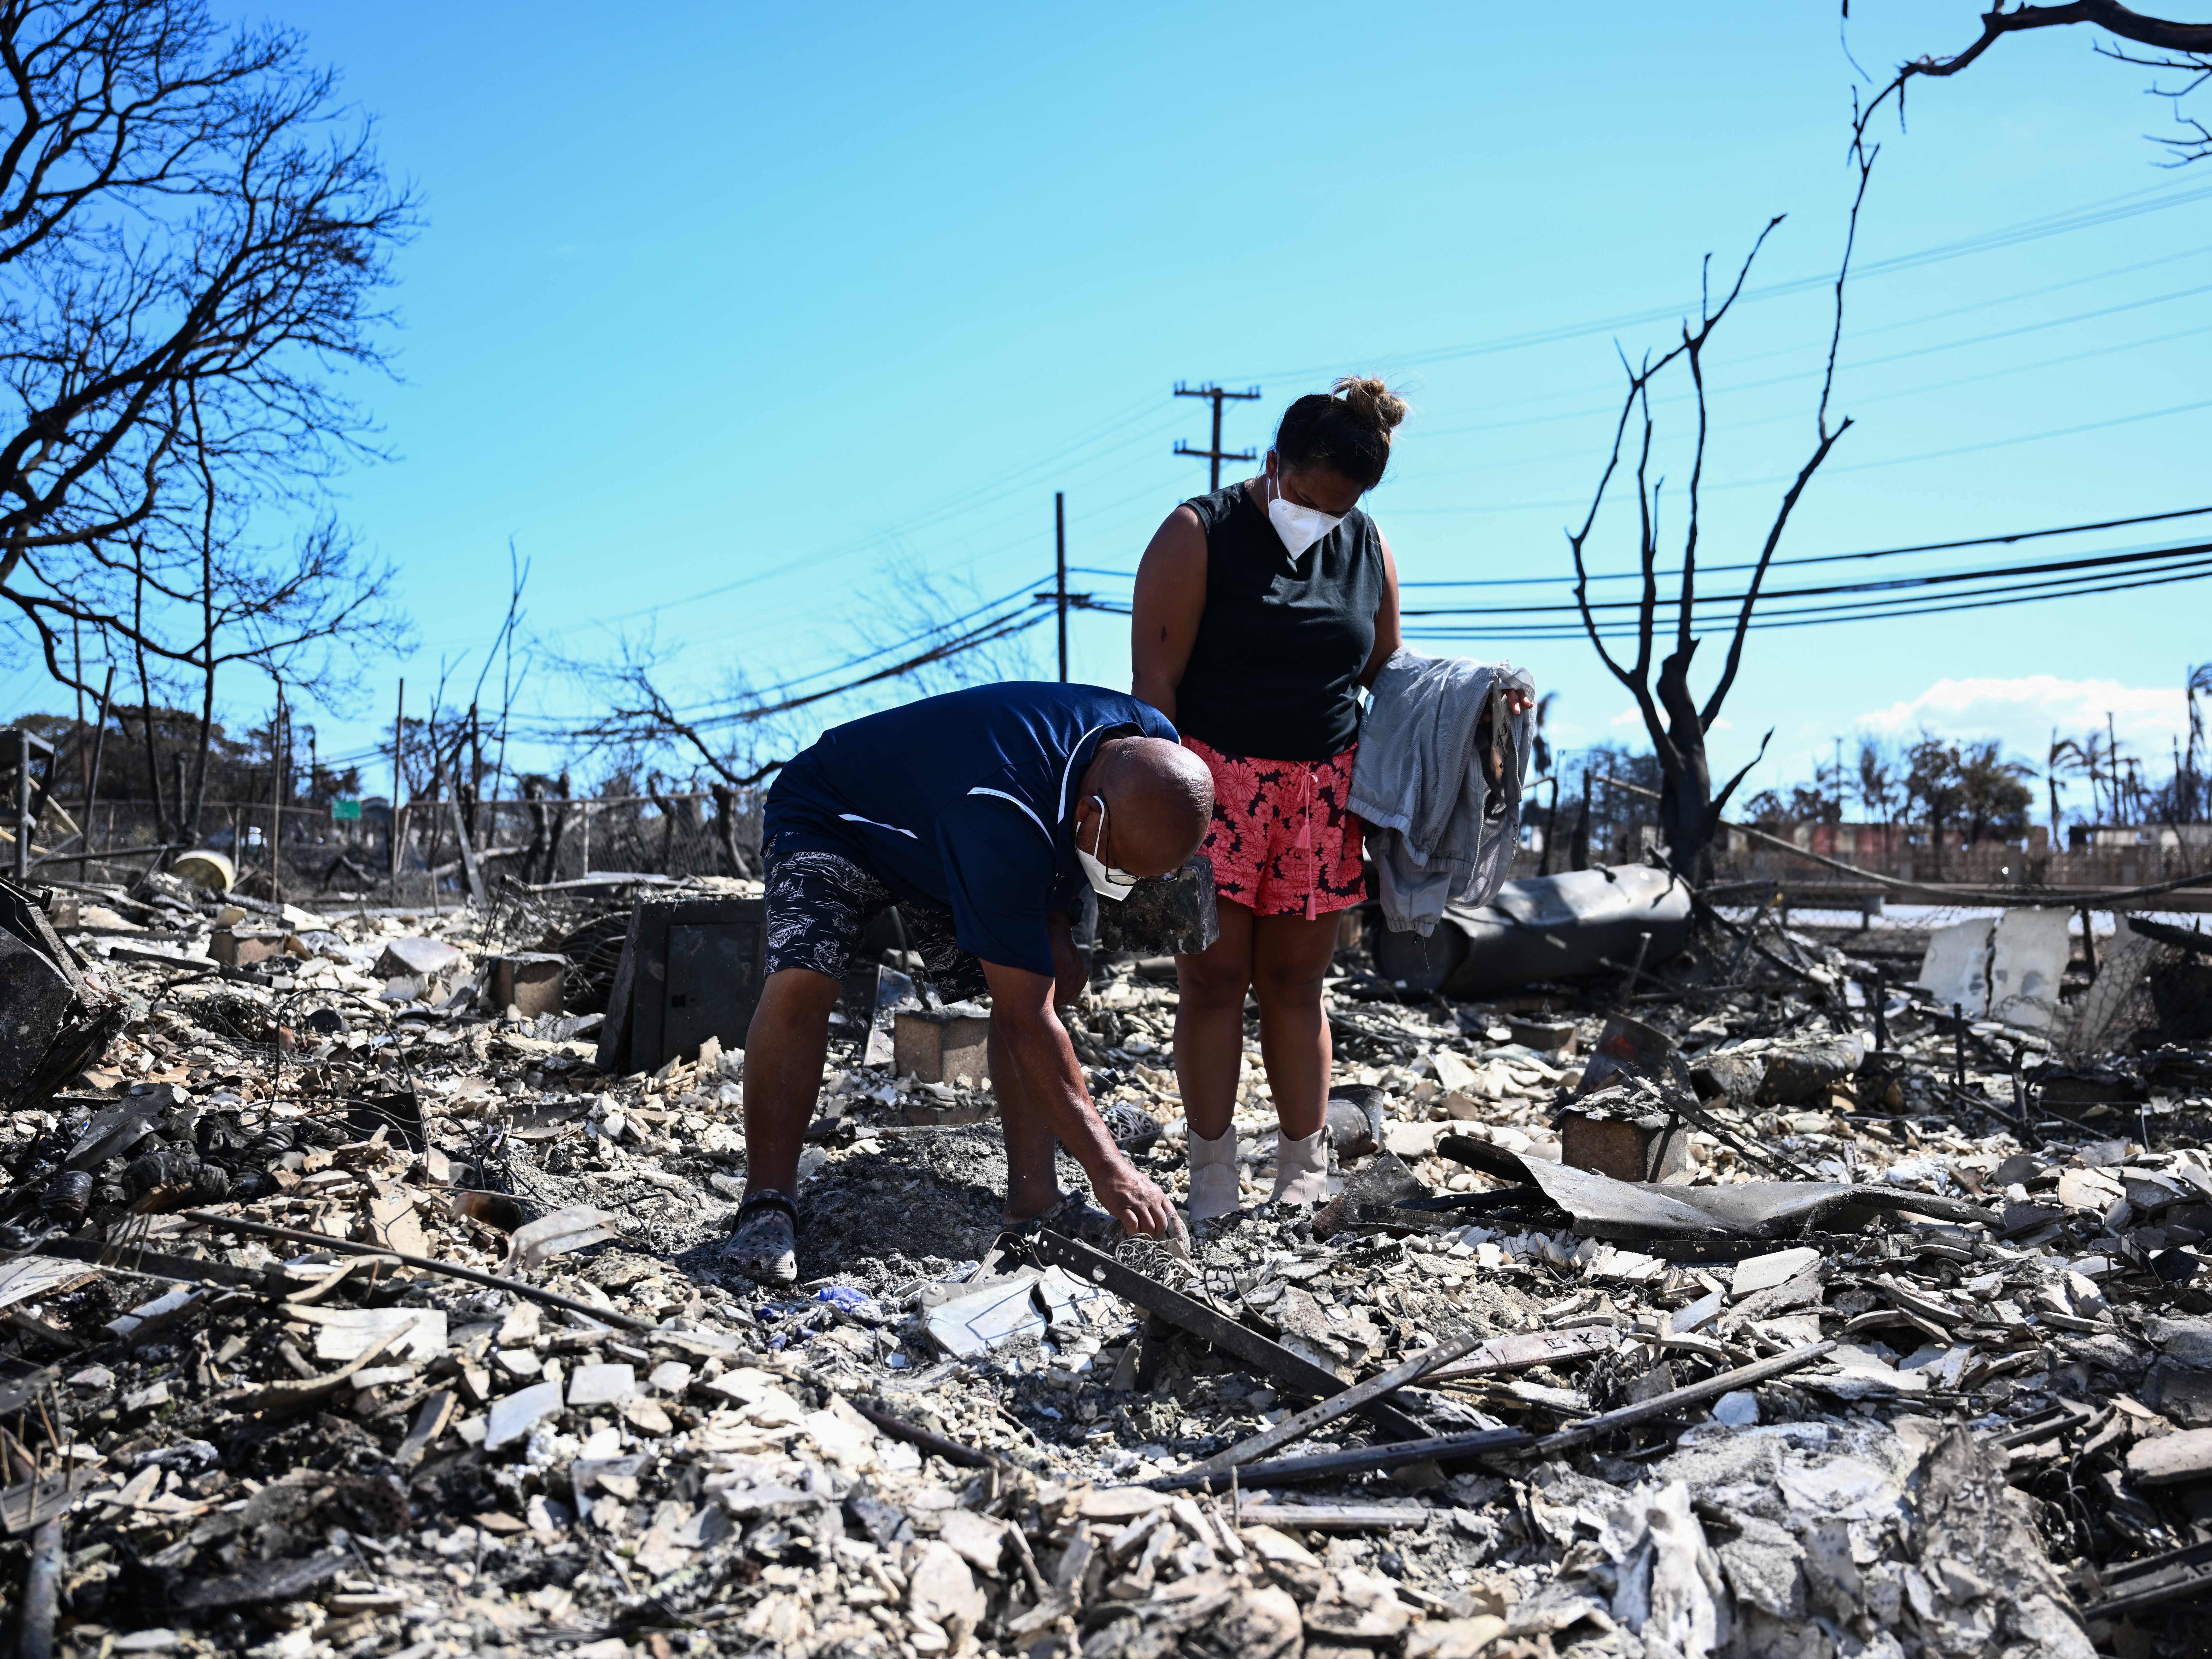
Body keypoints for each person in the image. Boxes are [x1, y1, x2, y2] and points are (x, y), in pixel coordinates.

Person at [726, 680, 1216, 1284]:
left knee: (1057, 975)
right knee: (806, 979)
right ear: (1091, 816)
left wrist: (1066, 917)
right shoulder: (1000, 814)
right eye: (1120, 868)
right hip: (835, 814)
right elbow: (1024, 1018)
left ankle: (1036, 1203)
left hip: (957, 821)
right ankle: (767, 1202)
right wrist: (1111, 1167)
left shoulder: (1153, 747)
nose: (1122, 882)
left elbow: (1061, 855)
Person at [1132, 377, 1408, 1219]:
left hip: (1321, 794)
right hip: (1210, 785)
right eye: (1308, 497)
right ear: (1272, 462)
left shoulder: (1368, 546)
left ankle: (1301, 1168)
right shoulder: (1197, 532)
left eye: (1339, 508)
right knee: (1213, 981)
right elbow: (1154, 683)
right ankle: (1212, 1174)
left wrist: (1486, 696)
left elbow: (1389, 676)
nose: (1320, 518)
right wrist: (1162, 813)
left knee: (1297, 984)